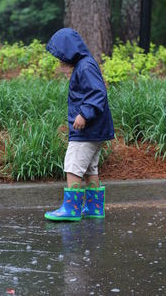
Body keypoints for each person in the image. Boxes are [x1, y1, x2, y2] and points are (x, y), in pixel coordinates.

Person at [44, 28, 114, 221]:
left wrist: (84, 114)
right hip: (95, 130)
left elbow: (98, 93)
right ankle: (93, 208)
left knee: (73, 164)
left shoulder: (84, 67)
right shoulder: (85, 64)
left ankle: (71, 209)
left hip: (87, 130)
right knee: (91, 168)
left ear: (69, 51)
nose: (59, 61)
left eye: (60, 55)